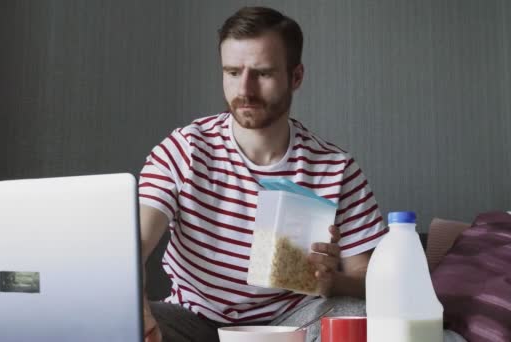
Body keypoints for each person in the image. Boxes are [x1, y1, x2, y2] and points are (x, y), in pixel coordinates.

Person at [138, 6, 386, 342]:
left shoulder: (336, 167)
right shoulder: (184, 149)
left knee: (363, 316)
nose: (245, 90)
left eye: (263, 73)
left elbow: (368, 278)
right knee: (120, 322)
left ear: (296, 77)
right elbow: (135, 244)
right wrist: (136, 307)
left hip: (291, 322)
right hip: (193, 320)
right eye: (232, 72)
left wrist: (331, 281)